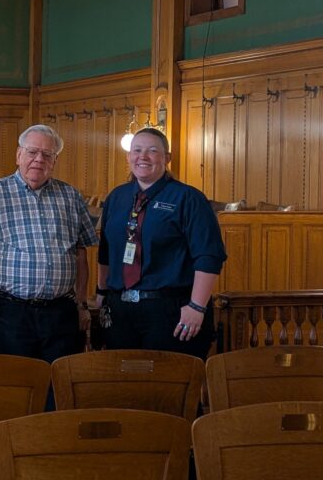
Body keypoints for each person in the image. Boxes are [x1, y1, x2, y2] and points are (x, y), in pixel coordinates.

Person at [0, 124, 98, 364]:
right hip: (13, 312)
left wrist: (82, 303)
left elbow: (80, 252)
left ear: (55, 160)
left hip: (61, 312)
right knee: (18, 384)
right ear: (18, 155)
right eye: (32, 152)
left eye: (47, 154)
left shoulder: (71, 196)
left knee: (60, 384)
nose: (38, 159)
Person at [96, 127, 226, 359]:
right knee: (121, 385)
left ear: (166, 158)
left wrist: (197, 306)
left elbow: (209, 255)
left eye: (152, 151)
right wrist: (101, 293)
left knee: (169, 387)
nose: (142, 157)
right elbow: (105, 251)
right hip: (120, 309)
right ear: (128, 157)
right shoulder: (117, 197)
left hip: (170, 310)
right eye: (136, 150)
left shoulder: (188, 198)